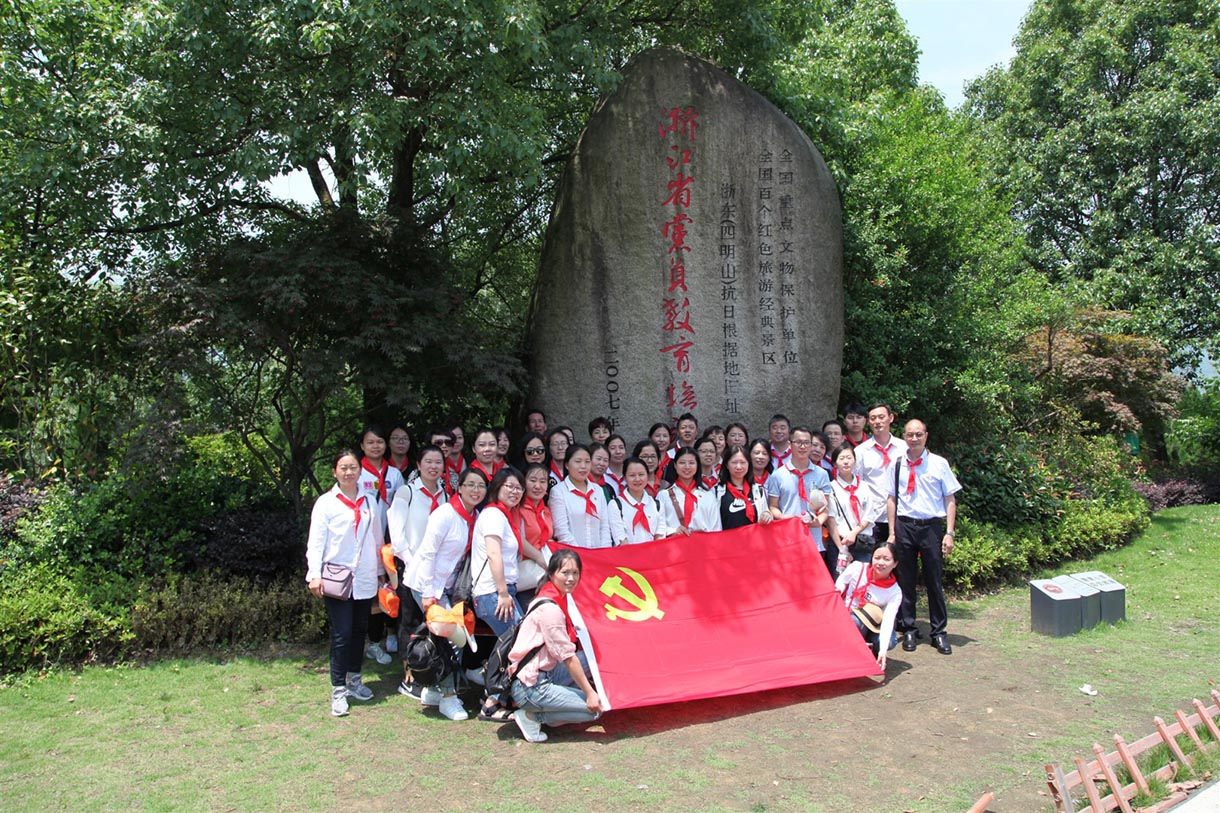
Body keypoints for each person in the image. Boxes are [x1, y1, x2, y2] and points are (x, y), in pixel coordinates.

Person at [403, 467, 489, 720]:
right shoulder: (445, 514)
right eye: (470, 485)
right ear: (459, 487)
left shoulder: (477, 516)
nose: (475, 490)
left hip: (450, 586)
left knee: (451, 636)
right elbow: (428, 553)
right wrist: (428, 593)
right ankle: (449, 697)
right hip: (426, 584)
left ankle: (434, 690)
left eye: (481, 486)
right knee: (449, 636)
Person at [306, 450, 386, 716]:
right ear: (334, 472)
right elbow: (316, 541)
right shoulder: (326, 503)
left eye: (353, 467)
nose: (349, 472)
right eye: (343, 468)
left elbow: (376, 539)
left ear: (360, 471)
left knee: (359, 630)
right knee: (342, 634)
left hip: (364, 576)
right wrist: (314, 573)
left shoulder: (369, 501)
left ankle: (354, 679)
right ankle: (338, 689)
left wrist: (381, 572)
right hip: (337, 577)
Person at [507, 549, 602, 743]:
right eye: (565, 573)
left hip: (546, 671)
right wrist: (590, 693)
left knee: (590, 657)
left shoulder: (556, 599)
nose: (571, 578)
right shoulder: (551, 609)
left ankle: (558, 701)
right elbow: (567, 658)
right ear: (551, 574)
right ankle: (532, 717)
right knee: (594, 710)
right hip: (531, 686)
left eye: (575, 573)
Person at [886, 419, 961, 656]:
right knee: (906, 580)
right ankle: (909, 627)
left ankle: (938, 632)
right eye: (910, 434)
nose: (914, 439)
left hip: (930, 527)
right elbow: (891, 498)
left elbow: (949, 499)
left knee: (934, 580)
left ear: (926, 436)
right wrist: (892, 532)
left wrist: (949, 533)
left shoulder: (939, 464)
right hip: (905, 525)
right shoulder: (897, 463)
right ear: (904, 437)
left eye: (918, 434)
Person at [386, 443, 447, 698]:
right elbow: (397, 533)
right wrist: (413, 563)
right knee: (409, 622)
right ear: (419, 465)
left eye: (438, 462)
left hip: (435, 572)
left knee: (431, 621)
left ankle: (430, 669)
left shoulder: (444, 494)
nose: (433, 467)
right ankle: (409, 677)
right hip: (410, 567)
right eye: (428, 462)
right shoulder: (406, 492)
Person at [356, 425, 404, 665]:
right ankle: (373, 641)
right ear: (362, 446)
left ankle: (392, 632)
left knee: (392, 589)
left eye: (379, 442)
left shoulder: (394, 474)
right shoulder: (358, 473)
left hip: (391, 542)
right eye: (370, 442)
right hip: (367, 542)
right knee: (372, 592)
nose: (376, 446)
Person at [767, 426, 836, 571]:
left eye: (806, 443)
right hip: (787, 539)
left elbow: (825, 507)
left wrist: (819, 521)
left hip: (813, 539)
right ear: (790, 444)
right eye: (798, 442)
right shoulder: (778, 475)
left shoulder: (822, 474)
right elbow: (773, 506)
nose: (803, 447)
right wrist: (785, 518)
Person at [834, 542, 902, 669]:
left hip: (874, 626)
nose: (880, 563)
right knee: (855, 621)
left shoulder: (895, 591)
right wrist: (838, 589)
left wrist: (883, 651)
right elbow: (841, 582)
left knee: (890, 641)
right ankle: (854, 648)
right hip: (851, 617)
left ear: (895, 563)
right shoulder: (857, 568)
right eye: (877, 558)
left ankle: (871, 649)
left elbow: (888, 620)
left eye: (886, 559)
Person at [856, 403, 907, 545]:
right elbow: (857, 484)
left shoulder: (904, 448)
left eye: (881, 417)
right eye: (873, 418)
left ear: (891, 418)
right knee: (875, 556)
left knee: (901, 557)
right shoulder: (861, 451)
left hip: (901, 515)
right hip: (873, 517)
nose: (877, 421)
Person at [694, 445, 773, 531]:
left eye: (743, 462)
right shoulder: (715, 492)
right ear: (727, 465)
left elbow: (764, 513)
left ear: (748, 464)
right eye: (734, 462)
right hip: (726, 539)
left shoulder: (758, 489)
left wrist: (767, 514)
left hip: (753, 538)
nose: (739, 467)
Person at [549, 444, 613, 548]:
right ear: (567, 465)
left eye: (587, 462)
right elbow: (561, 530)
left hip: (599, 553)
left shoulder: (598, 490)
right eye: (578, 461)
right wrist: (581, 553)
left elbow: (604, 526)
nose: (583, 466)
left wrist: (604, 551)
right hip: (572, 553)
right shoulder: (558, 491)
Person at [828, 444, 881, 565]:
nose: (846, 462)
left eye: (849, 458)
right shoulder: (831, 488)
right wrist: (842, 549)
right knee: (840, 576)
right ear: (835, 463)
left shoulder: (864, 486)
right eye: (841, 458)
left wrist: (854, 533)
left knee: (862, 575)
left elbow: (869, 515)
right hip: (840, 543)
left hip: (862, 543)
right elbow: (831, 521)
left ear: (855, 461)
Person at [617, 457, 665, 543]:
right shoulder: (616, 505)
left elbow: (660, 537)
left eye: (641, 474)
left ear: (647, 476)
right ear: (624, 478)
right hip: (626, 551)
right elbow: (620, 539)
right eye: (632, 475)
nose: (637, 479)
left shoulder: (658, 505)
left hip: (654, 551)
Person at [660, 447, 704, 536]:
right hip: (673, 543)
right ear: (675, 465)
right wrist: (672, 530)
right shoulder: (663, 495)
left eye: (691, 463)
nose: (687, 467)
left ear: (697, 465)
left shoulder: (708, 495)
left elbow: (716, 528)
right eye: (682, 463)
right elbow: (657, 527)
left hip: (703, 543)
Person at [590, 442, 627, 545]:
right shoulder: (582, 486)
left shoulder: (608, 488)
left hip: (607, 540)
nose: (602, 463)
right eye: (598, 459)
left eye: (605, 460)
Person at [429, 428, 459, 495]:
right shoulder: (419, 473)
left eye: (448, 443)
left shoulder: (454, 475)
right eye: (438, 443)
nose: (444, 446)